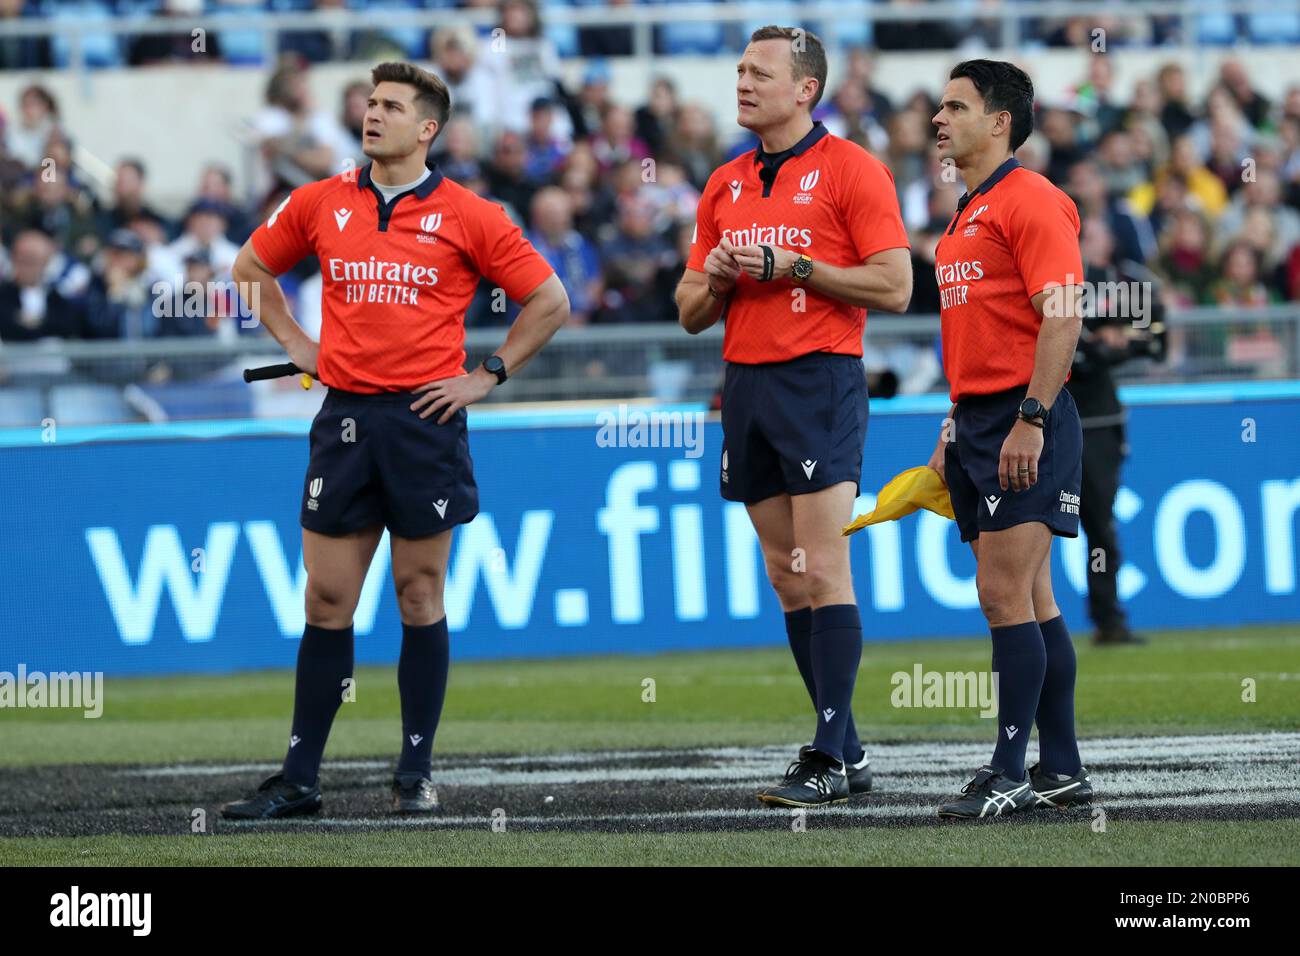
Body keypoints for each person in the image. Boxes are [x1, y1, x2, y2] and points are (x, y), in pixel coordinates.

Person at [220, 61, 568, 820]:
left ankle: (415, 771)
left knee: (419, 594)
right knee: (327, 597)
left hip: (424, 421)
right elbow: (250, 267)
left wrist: (487, 375)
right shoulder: (319, 200)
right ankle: (300, 779)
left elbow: (549, 298)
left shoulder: (472, 214)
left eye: (390, 106)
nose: (372, 115)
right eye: (369, 103)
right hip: (344, 418)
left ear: (427, 129)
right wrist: (298, 343)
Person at [675, 25, 911, 808]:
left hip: (820, 380)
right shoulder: (724, 182)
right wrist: (714, 279)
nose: (741, 82)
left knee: (823, 566)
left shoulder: (853, 170)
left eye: (759, 72)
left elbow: (896, 286)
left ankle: (826, 754)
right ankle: (846, 749)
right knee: (787, 578)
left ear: (805, 89)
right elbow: (687, 314)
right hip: (744, 386)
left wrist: (799, 267)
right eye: (739, 69)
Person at [925, 60, 1091, 819]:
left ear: (1000, 122)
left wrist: (1031, 416)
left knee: (1000, 592)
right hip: (980, 419)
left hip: (1025, 417)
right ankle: (1059, 768)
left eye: (955, 106)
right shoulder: (968, 211)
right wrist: (955, 424)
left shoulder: (1033, 200)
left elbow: (1063, 316)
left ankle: (1008, 771)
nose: (938, 118)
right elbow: (981, 332)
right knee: (1031, 595)